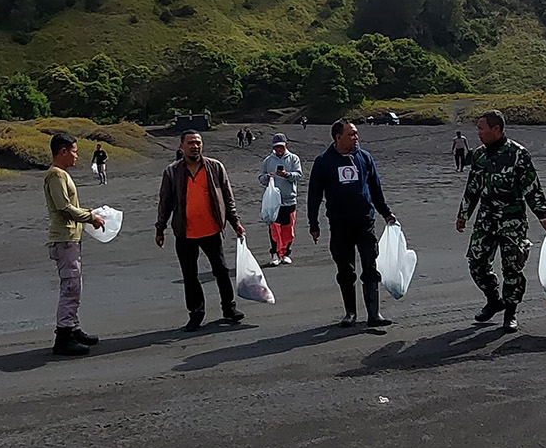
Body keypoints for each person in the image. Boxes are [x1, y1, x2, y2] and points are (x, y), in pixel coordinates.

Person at [456, 110, 546, 333]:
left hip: (512, 220)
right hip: (486, 219)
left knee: (512, 267)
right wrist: (463, 214)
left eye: (482, 129)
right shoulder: (480, 156)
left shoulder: (518, 154)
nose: (479, 133)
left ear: (496, 129)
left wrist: (543, 215)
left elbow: (532, 187)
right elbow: (473, 187)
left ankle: (510, 314)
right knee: (477, 262)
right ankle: (494, 300)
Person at [155, 131, 248, 331]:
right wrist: (160, 228)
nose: (195, 146)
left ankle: (229, 308)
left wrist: (236, 222)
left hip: (212, 230)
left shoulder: (215, 167)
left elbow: (227, 198)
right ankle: (196, 313)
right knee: (190, 275)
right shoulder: (172, 172)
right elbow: (165, 202)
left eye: (198, 143)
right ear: (181, 146)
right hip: (184, 233)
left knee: (221, 271)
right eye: (190, 143)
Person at [307, 119, 396, 328]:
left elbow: (376, 189)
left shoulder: (364, 158)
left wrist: (386, 213)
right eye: (351, 134)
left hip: (365, 222)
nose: (356, 138)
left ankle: (374, 314)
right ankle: (350, 313)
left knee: (370, 266)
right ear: (338, 137)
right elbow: (314, 195)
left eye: (356, 134)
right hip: (340, 225)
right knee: (345, 270)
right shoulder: (324, 161)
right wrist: (313, 224)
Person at [44, 133, 105, 356]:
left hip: (70, 238)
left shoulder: (61, 174)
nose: (76, 156)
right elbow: (64, 208)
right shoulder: (56, 176)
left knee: (75, 284)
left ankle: (73, 327)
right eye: (74, 151)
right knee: (70, 286)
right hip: (64, 239)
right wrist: (91, 217)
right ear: (62, 151)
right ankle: (64, 336)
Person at [258, 133, 303, 267]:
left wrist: (287, 174)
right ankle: (275, 254)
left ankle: (286, 253)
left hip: (289, 199)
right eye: (276, 147)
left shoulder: (293, 159)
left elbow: (298, 174)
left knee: (288, 229)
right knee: (274, 228)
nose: (278, 149)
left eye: (281, 147)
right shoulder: (268, 160)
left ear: (286, 145)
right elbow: (260, 177)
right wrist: (267, 177)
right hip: (273, 201)